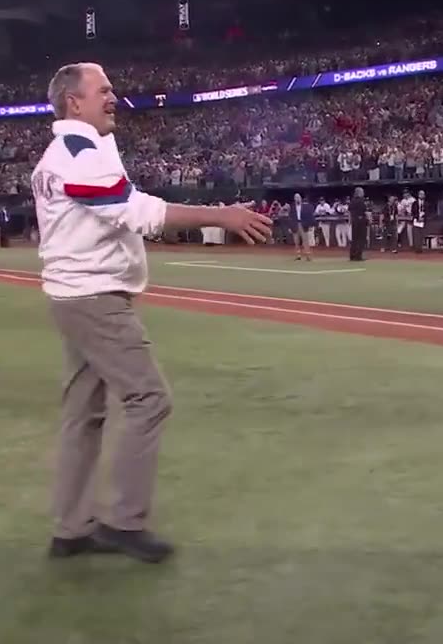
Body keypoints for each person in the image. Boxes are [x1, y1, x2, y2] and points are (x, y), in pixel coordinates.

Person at [30, 62, 271, 563]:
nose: (114, 96)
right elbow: (134, 211)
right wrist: (219, 215)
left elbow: (121, 202)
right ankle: (123, 521)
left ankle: (71, 528)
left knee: (83, 413)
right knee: (149, 398)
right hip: (94, 298)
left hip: (73, 295)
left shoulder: (75, 148)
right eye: (104, 90)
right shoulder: (78, 153)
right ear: (74, 102)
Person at [291, 192, 314, 261]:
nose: (297, 199)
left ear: (300, 198)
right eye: (296, 197)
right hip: (295, 225)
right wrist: (290, 227)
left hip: (303, 224)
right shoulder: (292, 207)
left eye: (298, 197)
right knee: (296, 241)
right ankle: (298, 255)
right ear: (294, 199)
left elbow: (308, 216)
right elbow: (290, 217)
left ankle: (308, 255)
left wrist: (310, 225)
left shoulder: (305, 207)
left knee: (305, 241)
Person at [348, 187, 367, 261]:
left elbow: (349, 212)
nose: (363, 193)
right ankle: (358, 256)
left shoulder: (352, 201)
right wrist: (369, 219)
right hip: (361, 220)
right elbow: (365, 211)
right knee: (361, 239)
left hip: (354, 220)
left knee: (354, 239)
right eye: (362, 192)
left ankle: (352, 256)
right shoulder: (361, 201)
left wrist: (350, 221)